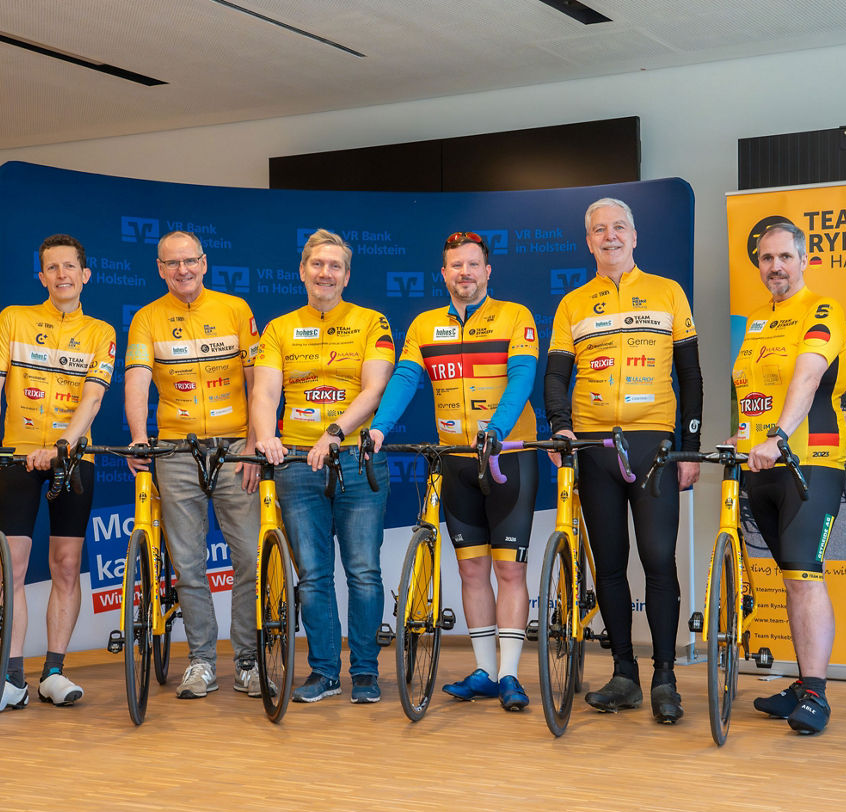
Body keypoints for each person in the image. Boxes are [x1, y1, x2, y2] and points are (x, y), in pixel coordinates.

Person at [543, 197, 703, 725]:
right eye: (598, 230)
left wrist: (690, 445)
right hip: (593, 446)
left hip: (653, 441)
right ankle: (623, 673)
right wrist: (559, 424)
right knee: (609, 566)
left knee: (658, 560)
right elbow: (556, 374)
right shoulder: (573, 304)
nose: (609, 236)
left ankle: (664, 676)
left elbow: (691, 374)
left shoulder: (668, 292)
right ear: (588, 241)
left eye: (618, 228)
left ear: (634, 236)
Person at [370, 231, 539, 711]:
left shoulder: (515, 316)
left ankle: (510, 675)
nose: (464, 273)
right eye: (455, 266)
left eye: (472, 265)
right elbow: (405, 377)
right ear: (443, 274)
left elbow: (522, 376)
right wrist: (381, 428)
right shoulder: (425, 325)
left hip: (505, 455)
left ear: (488, 271)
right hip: (455, 460)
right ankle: (485, 670)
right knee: (470, 569)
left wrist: (497, 429)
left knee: (509, 570)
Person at [0, 233, 115, 711]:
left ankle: (53, 671)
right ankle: (11, 677)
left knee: (66, 567)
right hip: (15, 456)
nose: (62, 275)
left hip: (73, 459)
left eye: (70, 267)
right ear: (42, 277)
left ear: (85, 274)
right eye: (52, 268)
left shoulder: (100, 331)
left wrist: (63, 447)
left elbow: (92, 399)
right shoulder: (14, 319)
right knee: (10, 567)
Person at [251, 229, 395, 705]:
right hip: (296, 462)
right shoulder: (279, 328)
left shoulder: (373, 321)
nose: (325, 273)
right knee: (311, 575)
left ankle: (367, 673)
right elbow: (266, 391)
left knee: (363, 571)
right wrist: (266, 436)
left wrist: (333, 433)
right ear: (303, 272)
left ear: (346, 276)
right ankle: (325, 673)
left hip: (355, 458)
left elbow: (373, 390)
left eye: (335, 266)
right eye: (317, 265)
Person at [125, 230, 262, 700]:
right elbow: (139, 379)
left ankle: (246, 661)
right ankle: (201, 660)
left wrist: (253, 440)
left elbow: (255, 378)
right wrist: (140, 436)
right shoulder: (146, 318)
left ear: (205, 263)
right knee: (187, 563)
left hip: (234, 447)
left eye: (190, 261)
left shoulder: (235, 308)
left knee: (248, 556)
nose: (182, 270)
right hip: (175, 449)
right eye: (172, 263)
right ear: (160, 269)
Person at [733, 223, 846, 735]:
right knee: (790, 578)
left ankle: (818, 695)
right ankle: (802, 684)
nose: (775, 266)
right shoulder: (757, 319)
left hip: (810, 461)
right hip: (759, 465)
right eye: (766, 258)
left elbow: (806, 376)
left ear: (803, 259)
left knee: (804, 575)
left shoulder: (822, 310)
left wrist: (779, 435)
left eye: (784, 256)